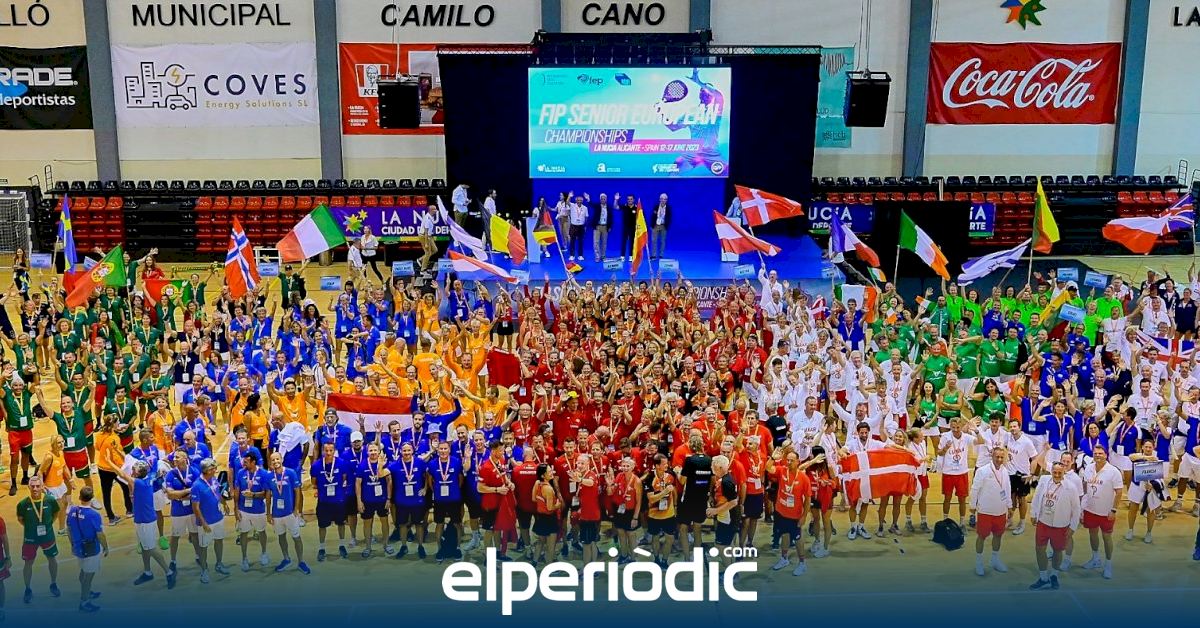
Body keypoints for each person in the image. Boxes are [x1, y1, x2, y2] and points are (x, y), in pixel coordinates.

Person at [114, 459, 174, 589]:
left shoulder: (139, 483)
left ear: (137, 473)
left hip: (146, 521)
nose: (131, 471)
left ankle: (168, 572)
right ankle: (147, 572)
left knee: (151, 548)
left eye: (133, 470)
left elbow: (121, 474)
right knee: (145, 546)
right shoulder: (147, 480)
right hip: (142, 519)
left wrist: (108, 461)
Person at [1080, 444, 1124, 579]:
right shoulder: (1088, 468)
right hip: (1090, 509)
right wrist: (1083, 504)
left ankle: (1108, 564)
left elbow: (1119, 492)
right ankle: (1095, 559)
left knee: (1106, 537)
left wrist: (1113, 510)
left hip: (1106, 512)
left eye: (1100, 453)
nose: (1098, 455)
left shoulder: (1113, 471)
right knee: (1092, 534)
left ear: (1106, 455)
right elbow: (1085, 485)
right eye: (1095, 453)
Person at [15, 475, 61, 604]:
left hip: (47, 536)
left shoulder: (50, 500)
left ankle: (53, 584)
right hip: (30, 538)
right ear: (28, 487)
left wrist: (48, 524)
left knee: (52, 559)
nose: (35, 488)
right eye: (32, 486)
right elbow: (20, 519)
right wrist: (30, 528)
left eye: (37, 486)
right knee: (28, 563)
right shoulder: (23, 504)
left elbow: (56, 513)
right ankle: (28, 589)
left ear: (42, 487)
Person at [969, 446, 1012, 576]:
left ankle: (995, 560)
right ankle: (979, 562)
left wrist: (1009, 505)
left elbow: (1007, 489)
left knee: (998, 535)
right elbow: (975, 489)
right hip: (985, 511)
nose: (999, 459)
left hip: (1000, 510)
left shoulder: (1005, 471)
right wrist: (972, 505)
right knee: (982, 536)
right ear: (992, 456)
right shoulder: (982, 471)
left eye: (1001, 457)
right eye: (997, 457)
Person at [266, 451, 309, 574]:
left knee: (296, 537)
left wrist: (296, 509)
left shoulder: (290, 473)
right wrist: (268, 513)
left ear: (282, 459)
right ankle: (286, 558)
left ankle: (301, 561)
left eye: (277, 459)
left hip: (290, 513)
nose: (275, 462)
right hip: (277, 514)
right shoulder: (269, 477)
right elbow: (268, 496)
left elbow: (297, 491)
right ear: (270, 462)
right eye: (273, 460)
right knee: (281, 537)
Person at [65, 486, 106, 613]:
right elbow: (100, 534)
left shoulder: (72, 510)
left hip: (78, 547)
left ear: (79, 497)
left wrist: (72, 544)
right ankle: (84, 601)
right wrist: (106, 547)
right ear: (92, 498)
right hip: (91, 548)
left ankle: (87, 591)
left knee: (83, 570)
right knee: (88, 576)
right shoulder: (94, 515)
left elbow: (69, 529)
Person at [191, 459, 230, 583]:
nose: (215, 470)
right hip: (206, 522)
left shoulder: (213, 479)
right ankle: (204, 570)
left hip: (218, 518)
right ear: (207, 470)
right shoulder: (196, 486)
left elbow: (217, 494)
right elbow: (195, 508)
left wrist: (224, 504)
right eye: (213, 468)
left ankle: (219, 564)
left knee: (219, 541)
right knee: (203, 547)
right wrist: (203, 523)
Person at [312, 441, 351, 562]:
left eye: (331, 450)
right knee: (322, 525)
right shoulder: (316, 465)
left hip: (339, 500)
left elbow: (344, 478)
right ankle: (322, 548)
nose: (328, 453)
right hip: (324, 501)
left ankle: (342, 545)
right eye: (326, 450)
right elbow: (314, 481)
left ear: (334, 451)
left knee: (341, 523)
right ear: (323, 451)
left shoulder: (341, 463)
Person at [707, 454, 739, 566]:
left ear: (719, 468)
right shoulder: (726, 478)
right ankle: (733, 570)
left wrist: (715, 511)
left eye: (713, 467)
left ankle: (729, 570)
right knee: (729, 544)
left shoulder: (726, 482)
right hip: (727, 517)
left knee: (720, 546)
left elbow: (733, 502)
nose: (712, 469)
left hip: (727, 519)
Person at [590, 192, 616, 262]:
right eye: (602, 199)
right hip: (597, 227)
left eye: (604, 199)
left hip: (605, 227)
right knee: (596, 242)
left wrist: (610, 226)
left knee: (604, 242)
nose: (603, 200)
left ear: (606, 199)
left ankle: (603, 256)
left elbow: (611, 217)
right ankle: (597, 257)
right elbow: (591, 204)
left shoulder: (609, 207)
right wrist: (588, 199)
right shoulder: (597, 206)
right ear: (600, 199)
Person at [649, 193, 671, 260]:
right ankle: (653, 255)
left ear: (666, 200)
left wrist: (667, 225)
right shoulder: (656, 207)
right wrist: (651, 225)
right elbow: (652, 216)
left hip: (663, 226)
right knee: (654, 240)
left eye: (665, 199)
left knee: (662, 241)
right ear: (659, 199)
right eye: (662, 199)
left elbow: (670, 217)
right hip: (655, 225)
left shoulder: (669, 208)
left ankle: (661, 255)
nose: (663, 200)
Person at [619, 195, 640, 262]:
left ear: (633, 200)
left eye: (631, 199)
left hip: (633, 228)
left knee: (632, 242)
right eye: (628, 199)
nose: (629, 200)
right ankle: (622, 256)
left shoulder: (637, 208)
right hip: (625, 227)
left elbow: (640, 217)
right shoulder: (624, 206)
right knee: (624, 242)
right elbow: (615, 206)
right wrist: (616, 200)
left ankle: (631, 256)